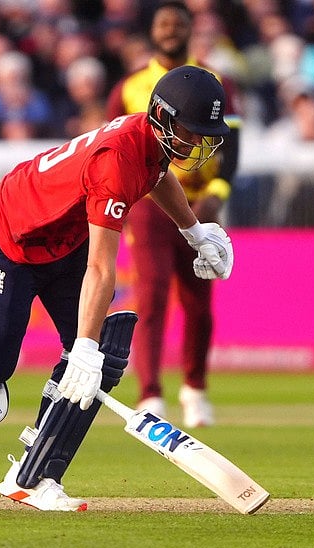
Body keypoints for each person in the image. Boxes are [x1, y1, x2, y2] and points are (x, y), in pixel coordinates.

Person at [0, 65, 234, 511]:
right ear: (160, 115)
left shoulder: (149, 140)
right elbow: (101, 267)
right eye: (190, 132)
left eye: (203, 135)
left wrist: (194, 230)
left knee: (107, 354)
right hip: (13, 236)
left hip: (62, 243)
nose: (197, 144)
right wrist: (80, 346)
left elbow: (155, 177)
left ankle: (31, 477)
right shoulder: (116, 160)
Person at [105, 1, 241, 427]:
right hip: (148, 204)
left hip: (200, 200)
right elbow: (112, 152)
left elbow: (233, 147)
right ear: (152, 30)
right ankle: (150, 394)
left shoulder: (216, 81)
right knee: (153, 294)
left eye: (177, 23)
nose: (169, 30)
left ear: (188, 29)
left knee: (199, 300)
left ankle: (195, 391)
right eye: (163, 23)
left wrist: (218, 193)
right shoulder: (130, 87)